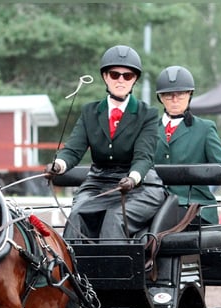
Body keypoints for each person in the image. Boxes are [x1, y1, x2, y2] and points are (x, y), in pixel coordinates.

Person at [45, 45, 165, 240]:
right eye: (115, 74)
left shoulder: (147, 114)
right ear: (105, 77)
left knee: (114, 217)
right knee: (76, 216)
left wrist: (133, 178)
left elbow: (144, 157)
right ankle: (71, 269)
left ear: (134, 79)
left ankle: (115, 270)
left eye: (127, 76)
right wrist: (57, 165)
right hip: (99, 183)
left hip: (139, 186)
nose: (120, 80)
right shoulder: (90, 112)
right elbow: (73, 150)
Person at [153, 65, 221, 224]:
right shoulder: (149, 130)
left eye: (181, 94)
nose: (175, 99)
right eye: (168, 95)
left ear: (189, 95)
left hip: (195, 206)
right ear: (161, 98)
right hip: (156, 205)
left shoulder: (204, 129)